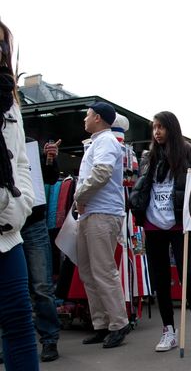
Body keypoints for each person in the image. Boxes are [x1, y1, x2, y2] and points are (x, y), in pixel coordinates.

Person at [129, 111, 191, 355]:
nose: (157, 132)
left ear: (172, 129)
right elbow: (142, 186)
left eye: (161, 127)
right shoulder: (148, 157)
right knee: (160, 280)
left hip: (179, 225)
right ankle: (168, 330)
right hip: (154, 224)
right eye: (154, 127)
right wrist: (136, 207)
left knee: (188, 278)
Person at [74, 101, 130, 349]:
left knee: (103, 271)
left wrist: (79, 196)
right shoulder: (99, 142)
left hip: (102, 213)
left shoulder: (106, 141)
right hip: (92, 213)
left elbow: (102, 172)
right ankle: (102, 324)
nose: (84, 119)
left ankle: (118, 323)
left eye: (87, 115)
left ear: (97, 117)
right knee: (89, 272)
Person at [0, 20, 39, 371]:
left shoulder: (10, 104)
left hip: (7, 234)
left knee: (19, 323)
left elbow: (22, 163)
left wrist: (21, 204)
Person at [21, 137, 62, 362]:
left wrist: (50, 160)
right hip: (7, 225)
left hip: (32, 222)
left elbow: (50, 178)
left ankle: (49, 339)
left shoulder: (27, 142)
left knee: (41, 285)